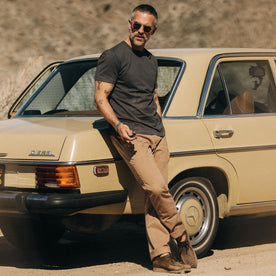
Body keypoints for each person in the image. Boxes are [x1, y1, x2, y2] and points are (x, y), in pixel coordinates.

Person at [95, 4, 197, 273]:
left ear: (154, 30)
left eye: (147, 28)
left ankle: (161, 256)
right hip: (131, 135)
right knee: (156, 189)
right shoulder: (113, 56)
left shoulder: (151, 60)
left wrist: (161, 131)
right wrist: (118, 125)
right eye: (137, 25)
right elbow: (100, 97)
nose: (141, 31)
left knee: (155, 198)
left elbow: (153, 97)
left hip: (157, 136)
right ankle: (182, 237)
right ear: (129, 24)